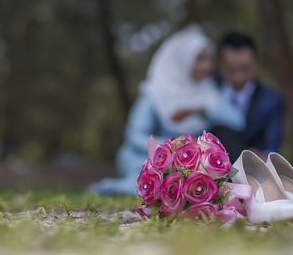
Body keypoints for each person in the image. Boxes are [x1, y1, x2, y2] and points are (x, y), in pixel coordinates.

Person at [89, 26, 245, 195]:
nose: (207, 66)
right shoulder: (155, 92)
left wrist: (198, 110)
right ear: (183, 60)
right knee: (155, 185)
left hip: (190, 161)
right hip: (150, 155)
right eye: (200, 59)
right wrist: (174, 149)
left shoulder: (208, 91)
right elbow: (134, 135)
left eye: (209, 59)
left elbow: (237, 121)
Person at [211, 32, 284, 162]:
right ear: (220, 65)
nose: (238, 77)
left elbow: (272, 147)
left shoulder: (272, 100)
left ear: (256, 64)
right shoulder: (206, 89)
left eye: (245, 69)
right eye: (231, 69)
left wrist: (262, 157)